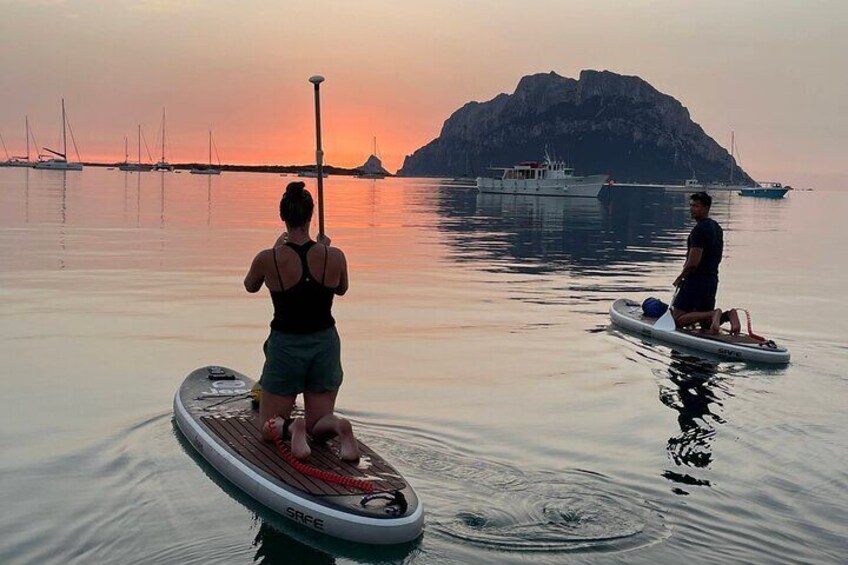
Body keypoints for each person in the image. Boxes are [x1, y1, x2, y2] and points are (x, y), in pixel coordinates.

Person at [243, 181, 360, 462]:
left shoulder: (268, 258)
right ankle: (338, 427)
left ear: (283, 217)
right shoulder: (335, 256)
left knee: (267, 426)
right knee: (319, 425)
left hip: (286, 346)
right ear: (310, 217)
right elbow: (341, 289)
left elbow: (250, 285)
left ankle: (290, 427)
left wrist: (274, 249)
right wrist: (323, 250)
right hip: (325, 344)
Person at [672, 191, 741, 335]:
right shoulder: (717, 228)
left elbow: (693, 263)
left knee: (677, 319)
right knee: (705, 324)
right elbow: (719, 256)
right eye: (691, 205)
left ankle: (713, 314)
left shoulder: (698, 230)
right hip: (711, 279)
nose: (691, 209)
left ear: (706, 208)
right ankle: (728, 315)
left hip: (696, 280)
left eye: (696, 206)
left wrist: (681, 277)